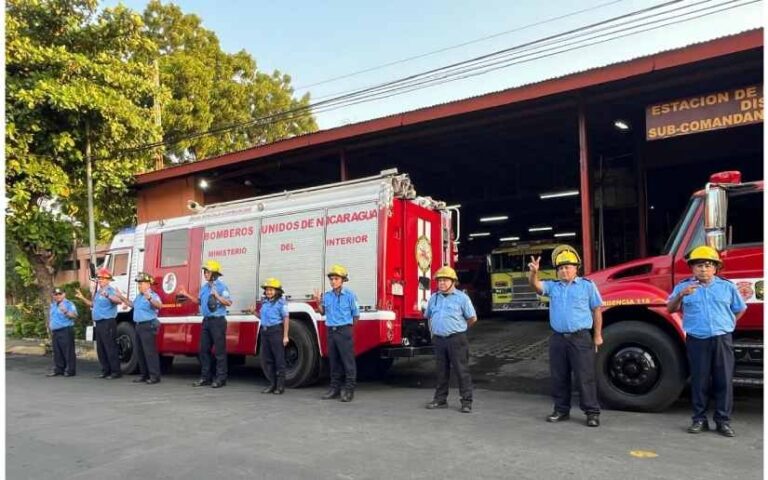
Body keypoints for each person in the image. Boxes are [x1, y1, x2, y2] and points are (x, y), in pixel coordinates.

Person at [667, 245, 747, 437]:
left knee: (724, 381)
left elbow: (740, 308)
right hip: (697, 339)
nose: (703, 269)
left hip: (722, 339)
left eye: (708, 265)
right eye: (698, 265)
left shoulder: (727, 287)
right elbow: (670, 309)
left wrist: (728, 324)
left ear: (715, 268)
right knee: (699, 381)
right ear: (692, 269)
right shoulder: (683, 287)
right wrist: (681, 295)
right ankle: (699, 420)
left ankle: (723, 421)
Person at [528, 246, 603, 427]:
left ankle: (592, 412)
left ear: (576, 268)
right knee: (559, 376)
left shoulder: (587, 285)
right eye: (560, 268)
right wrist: (534, 273)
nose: (564, 270)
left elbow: (597, 310)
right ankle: (561, 410)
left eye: (568, 267)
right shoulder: (553, 287)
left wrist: (597, 336)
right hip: (558, 338)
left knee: (585, 376)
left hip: (581, 337)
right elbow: (536, 286)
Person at [423, 266, 478, 414]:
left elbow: (472, 318)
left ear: (453, 281)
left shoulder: (462, 298)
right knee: (441, 371)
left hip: (457, 339)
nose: (441, 283)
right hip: (439, 339)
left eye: (445, 280)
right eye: (439, 280)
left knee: (462, 371)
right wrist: (433, 333)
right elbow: (428, 316)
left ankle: (466, 402)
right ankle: (440, 400)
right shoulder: (433, 298)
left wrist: (460, 329)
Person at [179, 260, 232, 388]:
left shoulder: (222, 287)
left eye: (207, 272)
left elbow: (229, 303)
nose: (205, 274)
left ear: (214, 273)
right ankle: (205, 377)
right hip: (206, 321)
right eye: (205, 271)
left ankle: (221, 378)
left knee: (219, 352)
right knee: (203, 350)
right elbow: (199, 301)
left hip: (218, 321)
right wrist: (186, 294)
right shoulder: (204, 288)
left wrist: (217, 296)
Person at [313, 264, 359, 402]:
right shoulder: (327, 296)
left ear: (343, 280)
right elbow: (323, 312)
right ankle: (335, 389)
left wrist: (349, 329)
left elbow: (355, 315)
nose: (333, 281)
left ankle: (349, 390)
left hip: (344, 331)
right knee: (333, 362)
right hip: (331, 332)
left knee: (348, 362)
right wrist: (317, 302)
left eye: (336, 278)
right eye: (331, 279)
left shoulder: (350, 295)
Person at [116, 272, 163, 384]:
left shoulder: (153, 295)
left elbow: (159, 305)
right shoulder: (139, 297)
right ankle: (144, 375)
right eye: (138, 284)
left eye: (141, 283)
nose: (139, 286)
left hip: (148, 325)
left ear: (148, 284)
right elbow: (132, 305)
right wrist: (121, 297)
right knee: (140, 352)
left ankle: (154, 376)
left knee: (149, 352)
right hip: (138, 326)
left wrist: (150, 298)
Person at [76, 268, 123, 379]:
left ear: (108, 280)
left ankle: (115, 372)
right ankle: (105, 370)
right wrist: (82, 297)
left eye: (102, 278)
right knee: (101, 348)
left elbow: (118, 301)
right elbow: (93, 305)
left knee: (110, 347)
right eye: (99, 278)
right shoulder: (98, 292)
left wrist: (107, 295)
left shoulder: (110, 290)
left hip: (108, 322)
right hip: (99, 323)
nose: (100, 280)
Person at [254, 278, 290, 394]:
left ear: (277, 291)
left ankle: (280, 386)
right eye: (267, 290)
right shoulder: (265, 302)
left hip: (276, 331)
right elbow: (261, 317)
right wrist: (253, 313)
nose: (268, 292)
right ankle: (271, 384)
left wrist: (285, 336)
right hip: (265, 332)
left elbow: (286, 318)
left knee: (279, 359)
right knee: (268, 359)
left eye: (271, 290)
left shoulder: (281, 303)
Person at [46, 287, 78, 377]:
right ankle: (59, 369)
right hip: (55, 331)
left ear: (64, 294)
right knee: (57, 351)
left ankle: (70, 370)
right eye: (56, 294)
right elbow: (52, 317)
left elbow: (75, 315)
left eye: (60, 294)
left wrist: (66, 311)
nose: (58, 296)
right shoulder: (53, 305)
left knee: (68, 351)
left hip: (65, 330)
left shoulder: (69, 304)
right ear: (53, 295)